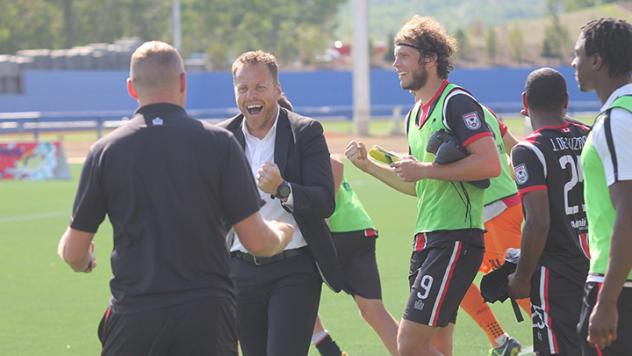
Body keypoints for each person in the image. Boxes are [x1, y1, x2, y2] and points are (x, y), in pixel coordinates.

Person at [56, 41, 294, 356]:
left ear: (131, 88)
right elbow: (258, 243)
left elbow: (73, 252)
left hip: (135, 316)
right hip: (207, 318)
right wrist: (282, 231)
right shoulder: (219, 144)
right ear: (183, 82)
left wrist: (85, 259)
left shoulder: (106, 151)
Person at [346, 16, 501, 356]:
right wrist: (369, 167)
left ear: (430, 59)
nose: (395, 64)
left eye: (403, 55)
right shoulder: (414, 114)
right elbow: (418, 185)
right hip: (427, 240)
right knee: (437, 346)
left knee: (409, 345)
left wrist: (427, 169)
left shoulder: (456, 103)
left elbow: (490, 164)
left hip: (456, 238)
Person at [219, 50, 343, 356]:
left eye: (260, 87)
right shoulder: (221, 138)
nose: (251, 95)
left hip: (294, 269)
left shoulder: (306, 132)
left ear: (277, 90)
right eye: (243, 89)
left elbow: (324, 201)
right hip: (240, 272)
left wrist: (282, 188)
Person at [410, 88, 526, 356]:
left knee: (520, 288)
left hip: (491, 209)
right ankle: (500, 339)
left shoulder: (451, 112)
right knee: (453, 282)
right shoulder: (482, 109)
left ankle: (570, 337)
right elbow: (517, 149)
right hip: (507, 205)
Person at [507, 67, 591, 355]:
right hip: (598, 268)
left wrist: (521, 277)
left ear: (524, 101)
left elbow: (538, 222)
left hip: (556, 275)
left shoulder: (528, 150)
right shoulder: (589, 135)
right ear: (566, 101)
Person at [572, 17, 632, 355]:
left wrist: (607, 301)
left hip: (618, 284)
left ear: (597, 61)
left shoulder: (615, 122)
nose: (573, 63)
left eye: (578, 54)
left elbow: (628, 208)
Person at [311, 155, 399, 356]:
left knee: (290, 292)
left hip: (336, 232)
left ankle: (329, 350)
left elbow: (335, 163)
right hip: (358, 226)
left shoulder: (288, 131)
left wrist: (324, 214)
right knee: (373, 310)